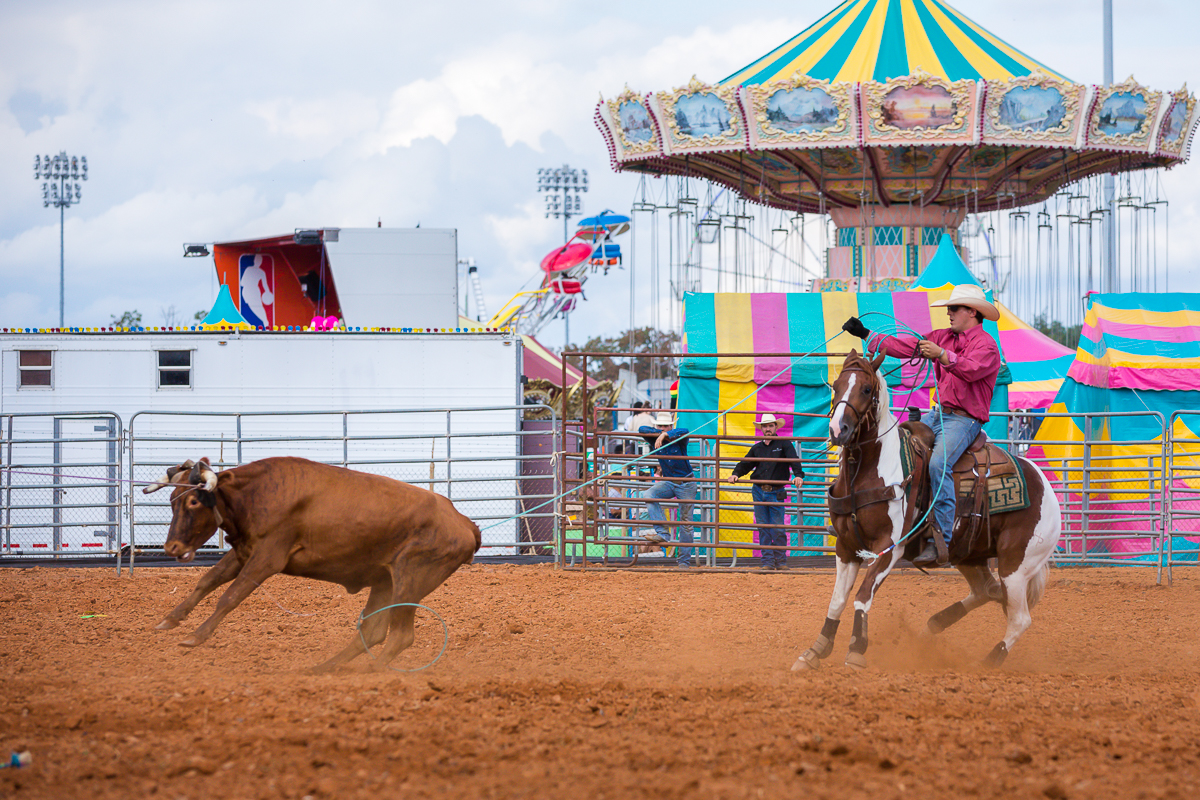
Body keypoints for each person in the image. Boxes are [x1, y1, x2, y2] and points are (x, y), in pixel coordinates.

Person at [841, 284, 1001, 567]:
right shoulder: (942, 337)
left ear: (972, 312)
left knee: (939, 463)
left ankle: (941, 537)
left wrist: (941, 354)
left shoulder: (987, 346)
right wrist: (868, 335)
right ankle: (888, 521)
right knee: (896, 444)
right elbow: (905, 346)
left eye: (954, 308)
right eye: (949, 308)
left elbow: (971, 369)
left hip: (965, 420)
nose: (949, 313)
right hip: (938, 415)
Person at [729, 414, 805, 570]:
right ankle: (768, 562)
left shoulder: (784, 444)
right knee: (764, 527)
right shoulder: (757, 448)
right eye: (765, 426)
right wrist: (736, 473)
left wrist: (798, 475)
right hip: (759, 490)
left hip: (775, 491)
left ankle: (780, 561)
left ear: (776, 427)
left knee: (777, 527)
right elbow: (745, 463)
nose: (768, 429)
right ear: (761, 428)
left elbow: (793, 459)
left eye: (770, 426)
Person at [638, 412, 696, 569]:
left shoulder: (678, 437)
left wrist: (665, 435)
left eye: (665, 426)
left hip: (686, 483)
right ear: (656, 426)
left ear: (671, 426)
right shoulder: (654, 438)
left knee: (686, 523)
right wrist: (660, 434)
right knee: (649, 494)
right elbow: (641, 428)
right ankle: (662, 533)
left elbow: (684, 430)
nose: (662, 428)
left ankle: (684, 561)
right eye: (660, 426)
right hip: (670, 482)